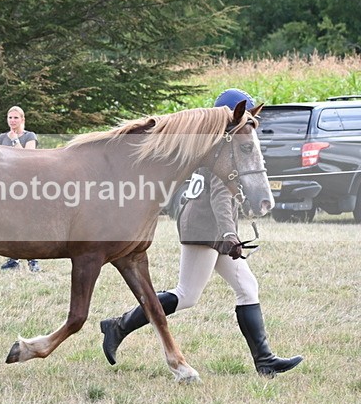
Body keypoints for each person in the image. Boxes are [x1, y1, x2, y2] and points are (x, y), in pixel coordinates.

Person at [99, 89, 304, 378]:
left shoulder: (209, 144)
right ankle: (118, 326)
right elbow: (221, 198)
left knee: (247, 287)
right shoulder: (221, 146)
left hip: (211, 229)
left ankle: (265, 359)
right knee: (187, 294)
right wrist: (230, 234)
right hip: (206, 229)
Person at [0, 106, 40, 272]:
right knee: (10, 223)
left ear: (22, 119)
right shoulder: (1, 138)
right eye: (10, 117)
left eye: (15, 118)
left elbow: (29, 158)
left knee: (28, 222)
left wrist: (14, 140)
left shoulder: (29, 136)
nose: (12, 121)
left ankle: (33, 259)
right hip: (7, 183)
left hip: (26, 184)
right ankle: (13, 258)